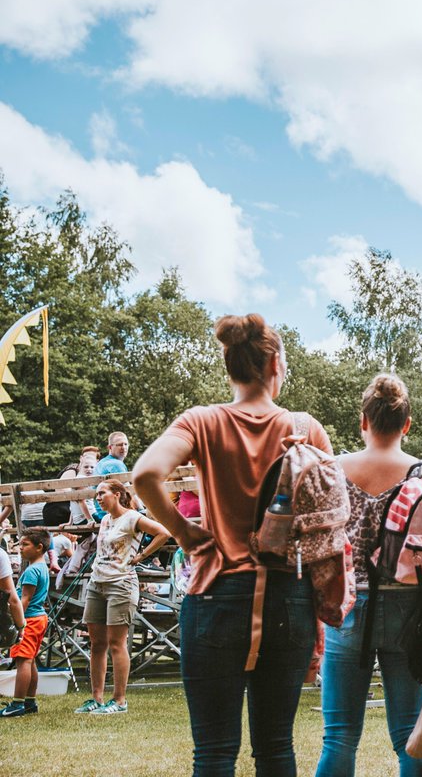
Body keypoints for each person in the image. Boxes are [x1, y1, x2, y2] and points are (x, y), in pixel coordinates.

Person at [133, 313, 333, 775]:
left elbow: (144, 474)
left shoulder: (201, 421)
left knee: (214, 752)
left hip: (216, 595)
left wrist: (182, 532)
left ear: (229, 367)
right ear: (276, 365)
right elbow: (327, 526)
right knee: (276, 747)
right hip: (286, 601)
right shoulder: (306, 429)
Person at [316, 374, 422, 777]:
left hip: (347, 604)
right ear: (407, 424)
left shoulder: (334, 469)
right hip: (410, 610)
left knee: (339, 737)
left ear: (363, 421)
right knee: (410, 736)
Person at [74, 478, 170, 716]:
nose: (97, 498)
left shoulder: (132, 517)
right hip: (97, 583)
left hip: (121, 584)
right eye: (96, 494)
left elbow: (163, 533)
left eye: (102, 493)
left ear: (117, 494)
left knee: (117, 643)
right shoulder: (105, 519)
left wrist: (141, 556)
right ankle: (96, 697)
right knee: (96, 644)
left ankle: (119, 700)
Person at [0, 530, 51, 718]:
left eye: (25, 545)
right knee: (30, 661)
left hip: (29, 618)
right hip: (39, 618)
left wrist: (14, 619)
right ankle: (30, 701)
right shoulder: (42, 567)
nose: (20, 548)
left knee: (23, 661)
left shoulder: (31, 571)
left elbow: (24, 600)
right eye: (20, 544)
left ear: (39, 547)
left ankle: (17, 703)